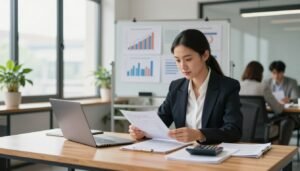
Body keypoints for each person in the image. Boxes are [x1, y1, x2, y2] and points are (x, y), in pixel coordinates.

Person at [129, 29, 242, 144]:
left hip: (215, 155)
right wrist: (142, 131)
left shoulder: (228, 87)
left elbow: (234, 131)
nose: (182, 66)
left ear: (205, 55)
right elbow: (160, 123)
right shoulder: (176, 87)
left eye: (188, 59)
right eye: (178, 60)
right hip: (182, 154)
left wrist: (200, 134)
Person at [240, 61, 294, 145]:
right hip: (262, 130)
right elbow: (278, 110)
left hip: (242, 128)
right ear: (260, 73)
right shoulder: (262, 87)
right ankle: (280, 152)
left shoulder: (237, 86)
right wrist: (281, 104)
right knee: (288, 121)